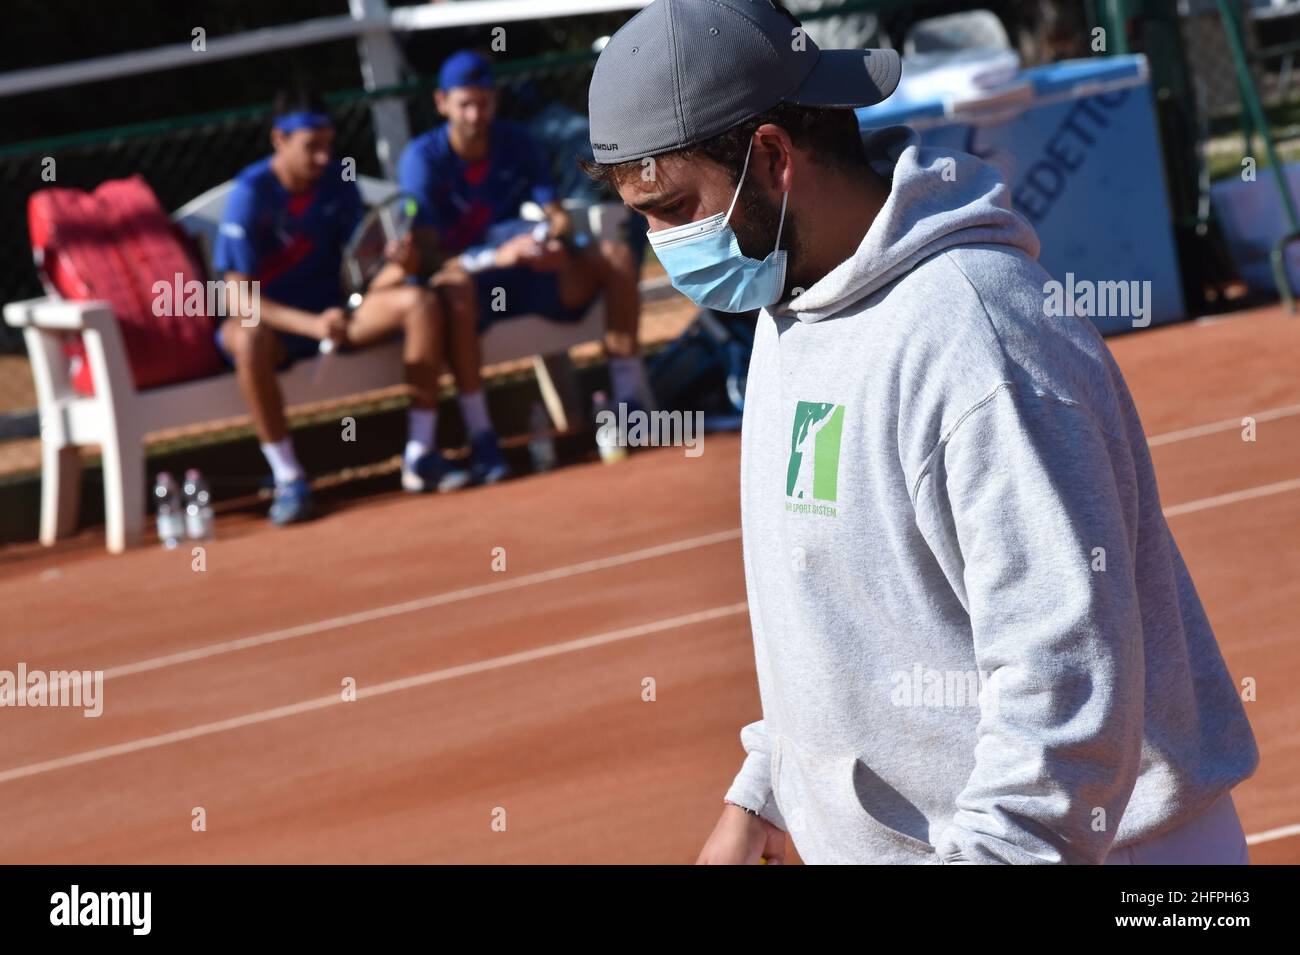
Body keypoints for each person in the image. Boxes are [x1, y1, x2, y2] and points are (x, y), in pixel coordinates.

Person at [584, 0, 1258, 865]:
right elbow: (837, 615)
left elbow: (1066, 689)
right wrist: (766, 792)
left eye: (674, 207)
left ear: (773, 158)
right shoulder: (792, 304)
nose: (660, 244)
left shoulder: (977, 334)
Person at [395, 51, 650, 477]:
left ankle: (627, 405)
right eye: (465, 104)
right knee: (453, 289)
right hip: (470, 294)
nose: (477, 114)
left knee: (617, 256)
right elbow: (427, 257)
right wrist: (496, 256)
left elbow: (555, 214)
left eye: (484, 101)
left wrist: (560, 243)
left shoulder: (519, 141)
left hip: (532, 278)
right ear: (441, 103)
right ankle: (483, 439)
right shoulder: (421, 159)